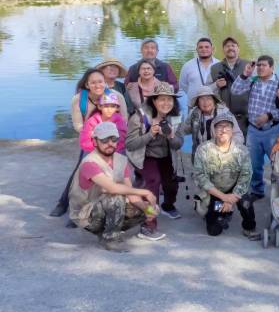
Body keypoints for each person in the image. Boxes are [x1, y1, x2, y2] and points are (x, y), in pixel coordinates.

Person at [50, 68, 129, 219]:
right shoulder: (79, 99)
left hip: (114, 141)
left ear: (105, 83)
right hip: (91, 140)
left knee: (119, 172)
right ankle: (65, 204)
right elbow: (78, 125)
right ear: (87, 84)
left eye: (100, 81)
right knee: (80, 173)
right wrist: (95, 136)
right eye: (93, 82)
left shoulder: (116, 96)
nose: (97, 85)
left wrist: (112, 139)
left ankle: (120, 207)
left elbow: (124, 119)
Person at [68, 121, 157, 252]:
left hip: (105, 206)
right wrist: (146, 192)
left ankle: (109, 231)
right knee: (116, 197)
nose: (110, 143)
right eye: (104, 140)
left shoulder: (120, 160)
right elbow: (113, 188)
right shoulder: (89, 163)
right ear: (95, 141)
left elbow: (130, 192)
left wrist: (147, 209)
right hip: (86, 215)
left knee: (149, 208)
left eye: (114, 139)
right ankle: (110, 239)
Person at [125, 82, 184, 239]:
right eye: (162, 99)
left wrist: (171, 136)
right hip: (145, 156)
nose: (166, 103)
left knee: (171, 183)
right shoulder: (140, 117)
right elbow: (130, 144)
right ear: (154, 100)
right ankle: (148, 225)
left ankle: (167, 205)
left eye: (170, 100)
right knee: (152, 183)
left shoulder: (176, 117)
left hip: (165, 156)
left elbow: (179, 144)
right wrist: (150, 134)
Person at [192, 114, 260, 240]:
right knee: (213, 230)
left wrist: (232, 198)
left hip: (235, 190)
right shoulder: (203, 149)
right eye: (219, 126)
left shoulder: (242, 150)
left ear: (232, 130)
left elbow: (246, 175)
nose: (223, 130)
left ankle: (249, 227)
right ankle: (224, 212)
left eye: (227, 126)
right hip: (214, 191)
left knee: (245, 203)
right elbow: (200, 177)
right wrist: (223, 197)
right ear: (213, 130)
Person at [231, 55, 279, 199]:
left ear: (272, 67)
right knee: (254, 164)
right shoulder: (253, 81)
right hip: (253, 131)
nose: (260, 68)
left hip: (272, 131)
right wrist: (245, 74)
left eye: (264, 65)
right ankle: (257, 190)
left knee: (278, 163)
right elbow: (234, 90)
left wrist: (269, 115)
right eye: (258, 65)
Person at [178, 85, 243, 157]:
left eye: (209, 98)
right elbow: (184, 130)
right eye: (202, 99)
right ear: (198, 102)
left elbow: (238, 135)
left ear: (214, 100)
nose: (205, 102)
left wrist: (228, 146)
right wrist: (176, 125)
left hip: (221, 157)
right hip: (199, 156)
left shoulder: (225, 113)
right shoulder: (194, 113)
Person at [208, 36, 251, 135]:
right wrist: (216, 85)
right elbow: (205, 90)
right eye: (227, 46)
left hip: (245, 118)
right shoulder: (214, 68)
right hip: (222, 117)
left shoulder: (249, 65)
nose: (230, 48)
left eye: (233, 45)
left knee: (245, 144)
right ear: (223, 49)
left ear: (238, 49)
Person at [179, 37, 217, 102]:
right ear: (196, 49)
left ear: (212, 49)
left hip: (214, 104)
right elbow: (183, 86)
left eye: (207, 47)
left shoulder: (219, 65)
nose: (204, 49)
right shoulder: (187, 66)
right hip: (193, 104)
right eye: (200, 47)